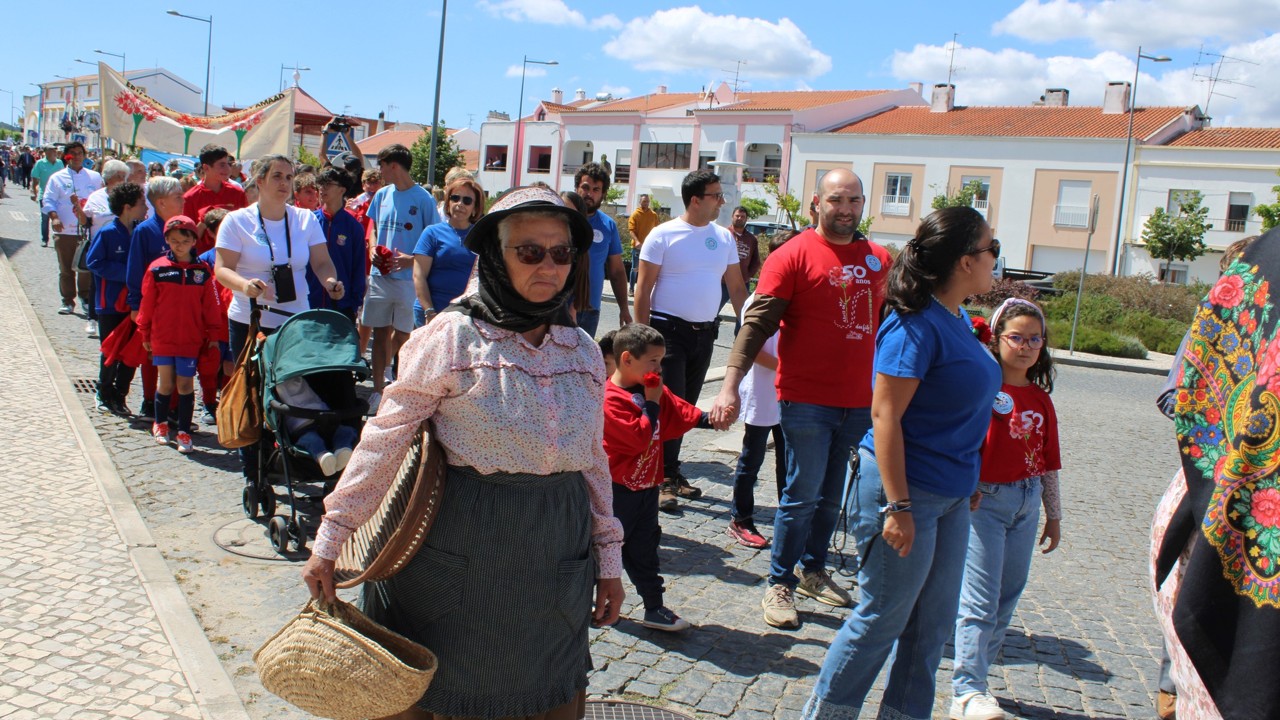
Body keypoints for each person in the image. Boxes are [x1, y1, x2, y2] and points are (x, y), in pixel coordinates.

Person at [303, 186, 625, 720]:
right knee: (448, 694)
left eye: (562, 252)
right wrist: (331, 538)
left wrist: (608, 560)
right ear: (496, 258)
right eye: (529, 251)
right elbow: (385, 441)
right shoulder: (451, 339)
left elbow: (592, 459)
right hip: (459, 554)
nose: (548, 265)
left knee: (547, 692)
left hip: (556, 559)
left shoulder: (585, 351)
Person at [798, 206, 1001, 719]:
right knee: (882, 617)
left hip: (952, 495)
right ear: (963, 261)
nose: (996, 259)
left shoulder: (955, 319)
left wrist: (968, 478)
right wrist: (899, 505)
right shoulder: (914, 325)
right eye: (990, 249)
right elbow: (884, 417)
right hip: (906, 494)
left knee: (931, 626)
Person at [710, 169, 891, 625]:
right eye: (836, 200)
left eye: (853, 200)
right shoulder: (791, 256)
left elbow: (895, 326)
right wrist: (730, 384)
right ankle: (779, 584)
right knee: (802, 494)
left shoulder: (880, 260)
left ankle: (813, 571)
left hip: (858, 402)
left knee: (832, 497)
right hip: (805, 398)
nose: (845, 209)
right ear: (816, 204)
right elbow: (755, 326)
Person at [950, 298, 1062, 720]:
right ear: (996, 340)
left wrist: (1054, 514)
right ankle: (967, 690)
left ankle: (977, 679)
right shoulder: (984, 390)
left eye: (1035, 339)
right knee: (979, 599)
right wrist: (966, 487)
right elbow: (961, 442)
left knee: (1007, 596)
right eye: (1016, 337)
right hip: (986, 503)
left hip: (1027, 503)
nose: (1027, 346)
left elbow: (1049, 461)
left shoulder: (1041, 398)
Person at [214, 154, 346, 481]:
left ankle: (296, 457)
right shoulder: (238, 221)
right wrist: (245, 285)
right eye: (277, 176)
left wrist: (330, 282)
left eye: (289, 177)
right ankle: (253, 470)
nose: (284, 184)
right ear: (259, 181)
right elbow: (221, 269)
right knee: (254, 396)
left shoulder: (305, 220)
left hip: (294, 323)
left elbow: (321, 262)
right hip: (251, 320)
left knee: (294, 395)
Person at [635, 169, 748, 510]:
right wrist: (642, 342)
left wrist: (750, 324)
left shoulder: (724, 238)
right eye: (716, 195)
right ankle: (660, 478)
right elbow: (643, 290)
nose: (722, 202)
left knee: (684, 408)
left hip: (704, 333)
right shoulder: (663, 234)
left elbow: (738, 287)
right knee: (668, 405)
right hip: (667, 333)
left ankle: (670, 470)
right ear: (695, 199)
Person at [602, 323, 712, 632]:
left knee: (645, 551)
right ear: (627, 360)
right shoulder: (609, 398)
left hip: (647, 489)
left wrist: (709, 419)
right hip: (616, 492)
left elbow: (679, 410)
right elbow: (638, 437)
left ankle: (654, 607)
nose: (659, 368)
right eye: (653, 361)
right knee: (602, 552)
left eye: (661, 360)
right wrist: (650, 402)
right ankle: (588, 603)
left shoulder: (651, 390)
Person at [726, 231, 796, 550]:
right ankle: (741, 519)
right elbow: (752, 350)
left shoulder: (800, 298)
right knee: (751, 459)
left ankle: (789, 517)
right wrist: (791, 367)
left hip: (791, 395)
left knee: (789, 460)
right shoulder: (758, 300)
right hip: (764, 391)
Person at [361, 143, 440, 413]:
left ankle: (395, 381)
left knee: (404, 334)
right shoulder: (381, 194)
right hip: (380, 276)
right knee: (380, 330)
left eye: (381, 165)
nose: (379, 171)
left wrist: (412, 260)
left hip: (409, 280)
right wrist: (372, 247)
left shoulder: (424, 199)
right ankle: (377, 389)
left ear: (393, 165)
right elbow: (372, 228)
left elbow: (434, 239)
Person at [136, 216, 222, 455]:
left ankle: (184, 430)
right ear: (167, 241)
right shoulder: (157, 269)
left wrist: (213, 333)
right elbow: (148, 303)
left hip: (190, 339)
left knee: (185, 384)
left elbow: (211, 306)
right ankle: (161, 424)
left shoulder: (202, 272)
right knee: (165, 383)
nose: (179, 245)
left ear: (194, 240)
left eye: (185, 240)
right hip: (163, 337)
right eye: (174, 241)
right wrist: (145, 331)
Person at [127, 176, 188, 419]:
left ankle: (173, 407)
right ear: (161, 203)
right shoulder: (145, 231)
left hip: (179, 307)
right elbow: (134, 269)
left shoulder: (182, 228)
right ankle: (150, 401)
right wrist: (135, 304)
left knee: (177, 356)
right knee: (153, 356)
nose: (183, 200)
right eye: (178, 197)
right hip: (155, 307)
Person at [86, 182, 148, 416]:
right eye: (142, 203)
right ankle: (103, 392)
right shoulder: (108, 232)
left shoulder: (139, 230)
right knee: (111, 350)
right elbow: (94, 262)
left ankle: (120, 394)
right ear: (127, 207)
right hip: (110, 302)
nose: (145, 208)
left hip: (134, 302)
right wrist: (128, 273)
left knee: (131, 351)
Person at [43, 141, 104, 317]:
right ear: (66, 156)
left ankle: (85, 298)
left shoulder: (94, 177)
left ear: (84, 156)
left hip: (87, 231)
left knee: (85, 267)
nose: (76, 156)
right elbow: (48, 200)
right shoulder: (57, 178)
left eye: (80, 153)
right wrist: (54, 217)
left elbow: (101, 199)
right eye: (72, 153)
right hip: (64, 231)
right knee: (66, 268)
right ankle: (68, 300)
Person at [412, 176, 483, 328]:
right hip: (432, 312)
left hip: (465, 316)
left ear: (475, 208)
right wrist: (429, 311)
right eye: (455, 198)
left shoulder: (481, 237)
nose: (460, 204)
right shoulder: (432, 233)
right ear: (448, 202)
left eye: (467, 200)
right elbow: (419, 276)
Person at [574, 163, 631, 338]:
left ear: (603, 194)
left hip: (590, 311)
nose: (589, 194)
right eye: (585, 187)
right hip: (558, 308)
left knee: (583, 364)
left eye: (596, 190)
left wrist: (624, 308)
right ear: (577, 188)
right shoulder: (561, 219)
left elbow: (616, 271)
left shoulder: (608, 225)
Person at [306, 167, 368, 322]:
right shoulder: (309, 221)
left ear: (342, 190)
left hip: (341, 306)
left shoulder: (353, 227)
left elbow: (359, 268)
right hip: (307, 303)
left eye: (328, 184)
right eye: (320, 184)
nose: (322, 189)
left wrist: (354, 305)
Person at [275, 375, 358, 477]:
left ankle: (342, 450)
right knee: (312, 439)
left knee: (345, 431)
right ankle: (324, 456)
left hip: (321, 418)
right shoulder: (279, 382)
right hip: (302, 423)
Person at [183, 144, 247, 254]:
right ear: (206, 168)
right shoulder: (190, 197)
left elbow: (246, 229)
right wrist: (204, 222)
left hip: (233, 257)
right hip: (202, 261)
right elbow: (186, 239)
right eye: (222, 165)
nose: (227, 169)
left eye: (228, 164)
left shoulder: (237, 193)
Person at [720, 206, 762, 335]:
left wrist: (747, 275)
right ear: (732, 216)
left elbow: (756, 262)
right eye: (737, 216)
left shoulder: (751, 239)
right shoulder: (723, 234)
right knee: (711, 311)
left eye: (742, 216)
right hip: (722, 283)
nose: (739, 218)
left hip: (742, 283)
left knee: (743, 315)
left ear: (746, 219)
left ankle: (738, 340)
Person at [30, 144, 64, 248]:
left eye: (54, 150)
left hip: (58, 196)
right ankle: (44, 239)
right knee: (45, 218)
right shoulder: (40, 163)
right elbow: (35, 179)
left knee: (59, 217)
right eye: (51, 151)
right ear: (46, 152)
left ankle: (59, 238)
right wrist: (33, 192)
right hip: (44, 195)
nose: (53, 152)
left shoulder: (60, 163)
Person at [627, 194, 659, 292]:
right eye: (644, 201)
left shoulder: (653, 215)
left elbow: (657, 230)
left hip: (649, 247)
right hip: (637, 247)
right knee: (635, 268)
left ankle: (644, 290)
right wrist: (637, 241)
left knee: (648, 269)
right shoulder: (635, 215)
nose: (646, 203)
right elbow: (631, 230)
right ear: (640, 202)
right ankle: (631, 289)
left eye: (647, 201)